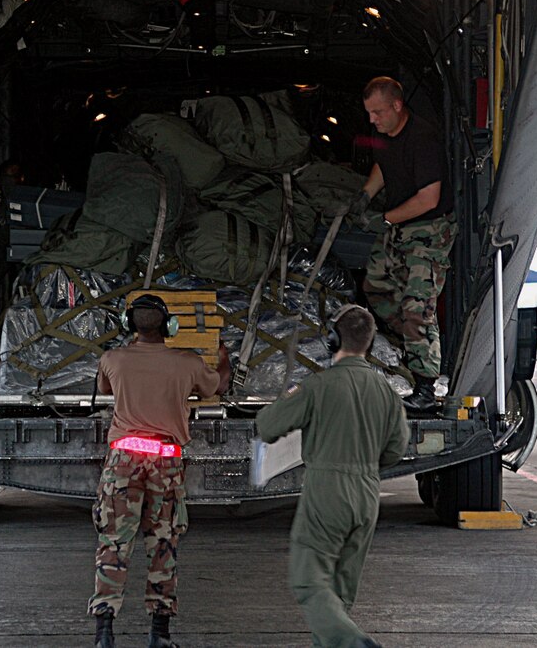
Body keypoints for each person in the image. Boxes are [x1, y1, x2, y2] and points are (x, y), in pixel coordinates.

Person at [255, 304, 410, 648]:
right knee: (339, 592)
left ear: (332, 339)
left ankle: (353, 641)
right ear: (369, 343)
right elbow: (396, 450)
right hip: (368, 493)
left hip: (327, 488)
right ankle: (339, 638)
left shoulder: (319, 386)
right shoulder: (387, 392)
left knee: (309, 581)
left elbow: (267, 426)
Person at [88, 293, 231, 648]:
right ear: (170, 327)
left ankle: (104, 634)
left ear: (128, 325)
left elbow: (104, 388)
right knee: (163, 544)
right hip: (164, 461)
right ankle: (159, 635)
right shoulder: (188, 363)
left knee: (114, 543)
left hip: (123, 459)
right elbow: (219, 385)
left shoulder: (112, 359)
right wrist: (225, 358)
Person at [351, 76, 457, 409]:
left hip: (428, 230)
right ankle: (412, 344)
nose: (372, 120)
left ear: (397, 105)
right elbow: (384, 165)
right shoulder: (382, 133)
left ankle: (426, 385)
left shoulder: (423, 139)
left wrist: (382, 219)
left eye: (378, 112)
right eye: (369, 113)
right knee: (376, 285)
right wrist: (365, 196)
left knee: (418, 306)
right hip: (400, 226)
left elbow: (429, 198)